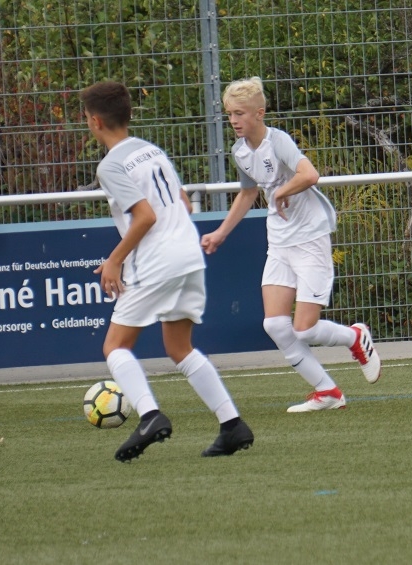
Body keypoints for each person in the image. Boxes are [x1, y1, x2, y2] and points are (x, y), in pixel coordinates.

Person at [81, 81, 253, 461]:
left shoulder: (110, 165)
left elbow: (145, 216)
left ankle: (150, 416)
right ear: (128, 114)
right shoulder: (152, 151)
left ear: (95, 122)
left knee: (115, 346)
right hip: (188, 255)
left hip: (157, 261)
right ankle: (232, 425)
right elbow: (183, 206)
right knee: (179, 347)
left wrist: (115, 260)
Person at [201, 76, 381, 413]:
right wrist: (222, 232)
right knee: (274, 324)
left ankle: (355, 337)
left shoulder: (278, 141)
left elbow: (309, 175)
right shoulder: (240, 151)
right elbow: (248, 193)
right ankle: (328, 392)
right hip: (280, 242)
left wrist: (282, 191)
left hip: (310, 238)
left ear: (259, 113)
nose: (234, 120)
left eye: (240, 113)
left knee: (305, 328)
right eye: (230, 114)